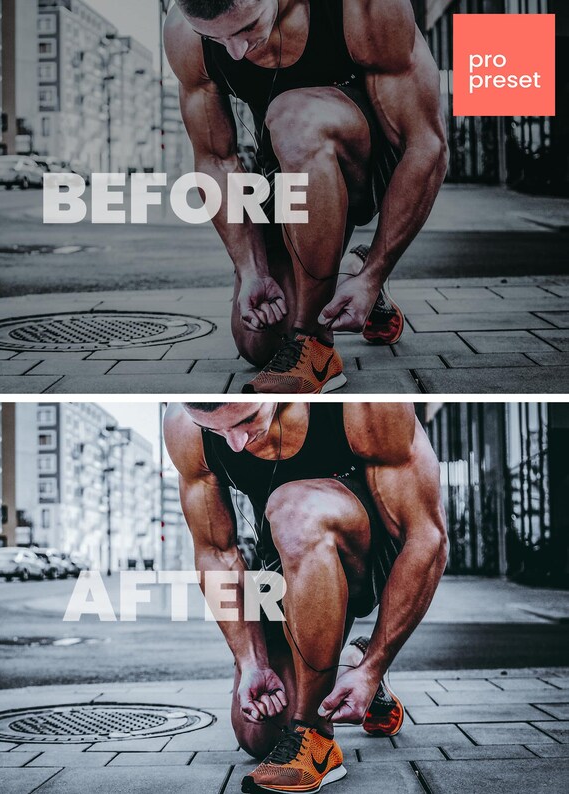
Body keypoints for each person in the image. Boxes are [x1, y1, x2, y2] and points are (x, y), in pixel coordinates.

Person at [164, 0, 448, 393]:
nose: (235, 51)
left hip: (373, 163)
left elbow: (426, 145)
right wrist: (252, 270)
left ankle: (316, 348)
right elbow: (216, 160)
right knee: (258, 342)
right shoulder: (183, 32)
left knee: (294, 116)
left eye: (247, 28)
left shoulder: (363, 8)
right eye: (215, 38)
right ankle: (348, 270)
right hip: (291, 171)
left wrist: (376, 274)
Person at [164, 402, 448, 792]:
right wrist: (251, 661)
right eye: (217, 430)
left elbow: (427, 538)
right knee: (258, 734)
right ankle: (348, 660)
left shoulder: (365, 406)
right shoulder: (185, 426)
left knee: (294, 509)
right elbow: (216, 552)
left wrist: (375, 666)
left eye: (247, 420)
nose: (235, 442)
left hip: (373, 554)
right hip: (290, 560)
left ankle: (316, 739)